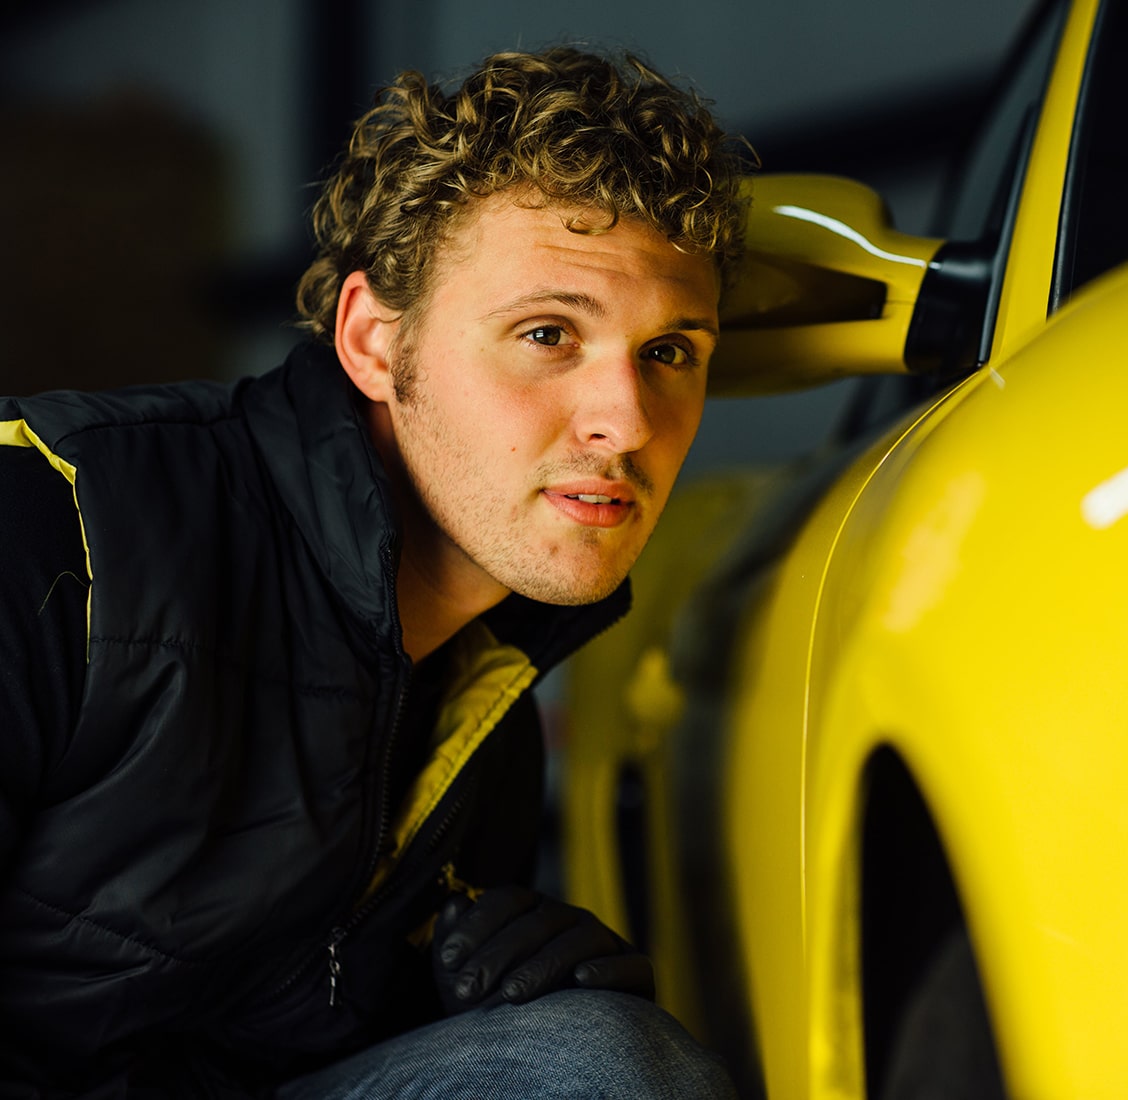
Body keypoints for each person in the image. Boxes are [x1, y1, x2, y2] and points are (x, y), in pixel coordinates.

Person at [0, 44, 749, 1099]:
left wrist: (481, 1008)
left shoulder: (480, 716)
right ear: (370, 339)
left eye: (670, 351)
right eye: (547, 333)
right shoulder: (60, 527)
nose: (625, 421)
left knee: (600, 1060)